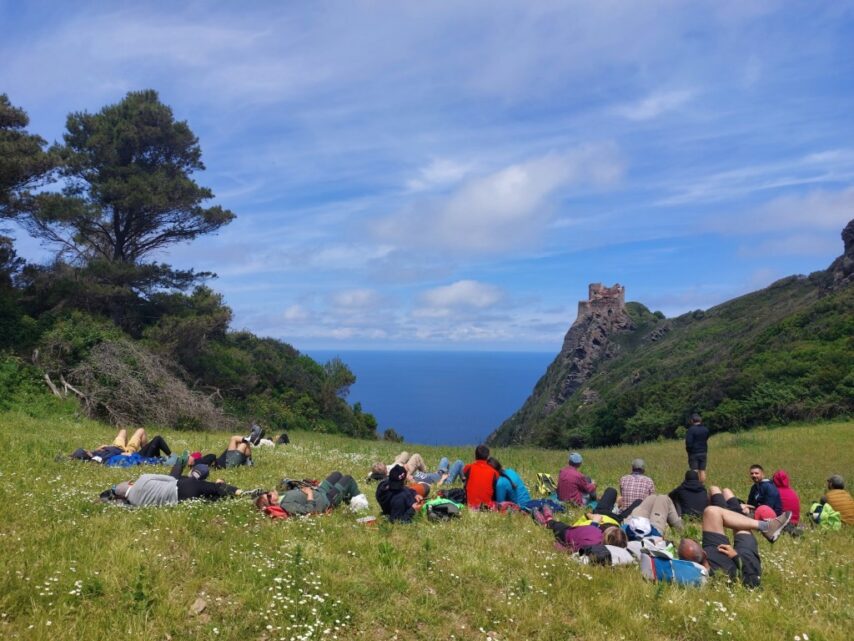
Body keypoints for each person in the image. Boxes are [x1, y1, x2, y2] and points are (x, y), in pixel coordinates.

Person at [677, 487, 791, 588]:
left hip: (713, 547)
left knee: (711, 512)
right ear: (704, 553)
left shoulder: (693, 563)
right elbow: (753, 581)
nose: (697, 540)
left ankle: (762, 524)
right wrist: (735, 556)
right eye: (696, 542)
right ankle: (765, 526)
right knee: (742, 527)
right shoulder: (722, 574)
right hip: (743, 558)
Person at [532, 504, 628, 552]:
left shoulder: (591, 544)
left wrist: (559, 547)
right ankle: (548, 519)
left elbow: (572, 549)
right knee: (560, 525)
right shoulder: (595, 539)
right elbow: (592, 530)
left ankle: (547, 521)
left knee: (557, 525)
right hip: (576, 531)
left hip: (566, 534)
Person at [255, 472, 360, 516]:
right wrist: (309, 494)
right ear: (271, 503)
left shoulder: (281, 496)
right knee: (348, 479)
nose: (270, 493)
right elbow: (308, 511)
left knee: (337, 474)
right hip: (325, 500)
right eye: (268, 496)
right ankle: (361, 503)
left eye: (267, 492)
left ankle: (348, 499)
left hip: (320, 491)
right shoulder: (286, 505)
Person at [70, 428, 171, 464]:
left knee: (123, 431)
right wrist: (125, 455)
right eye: (85, 450)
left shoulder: (94, 453)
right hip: (125, 451)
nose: (87, 449)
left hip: (116, 446)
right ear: (86, 454)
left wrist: (104, 447)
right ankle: (148, 455)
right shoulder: (97, 459)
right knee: (141, 431)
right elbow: (109, 459)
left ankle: (148, 453)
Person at [685, 413, 709, 483]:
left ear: (692, 421)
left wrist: (688, 451)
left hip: (694, 453)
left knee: (694, 470)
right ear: (700, 420)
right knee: (702, 470)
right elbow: (706, 438)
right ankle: (702, 486)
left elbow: (688, 443)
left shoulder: (691, 430)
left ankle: (694, 486)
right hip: (703, 452)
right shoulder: (705, 429)